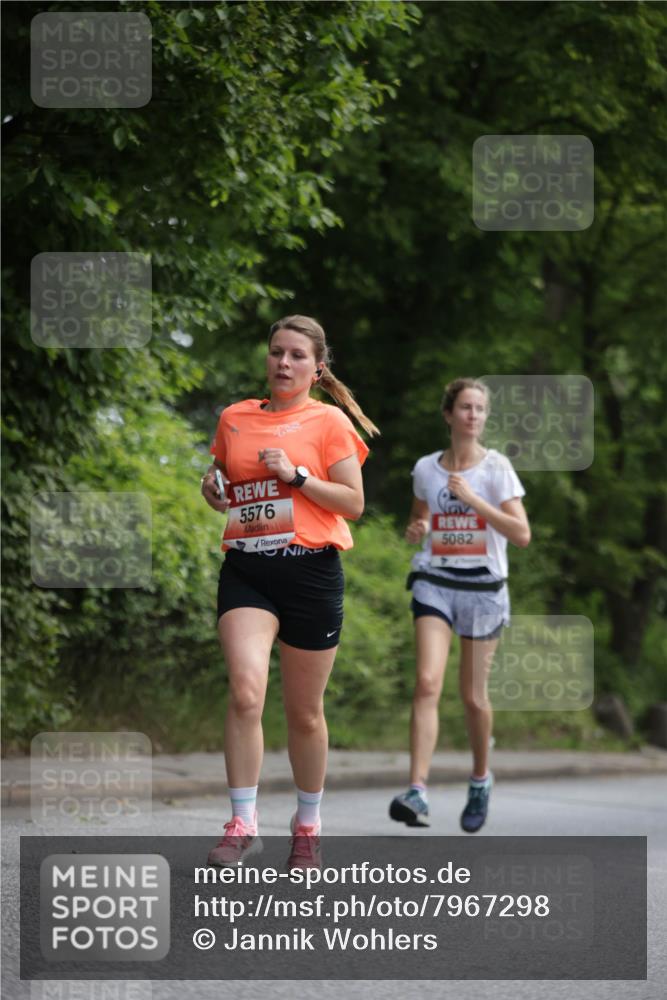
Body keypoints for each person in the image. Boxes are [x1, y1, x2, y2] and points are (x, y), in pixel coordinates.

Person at [201, 315, 378, 868]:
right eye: (277, 352)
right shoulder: (234, 418)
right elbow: (224, 488)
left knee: (303, 714)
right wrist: (212, 489)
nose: (283, 363)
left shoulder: (328, 422)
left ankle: (306, 825)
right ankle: (242, 822)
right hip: (249, 570)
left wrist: (298, 476)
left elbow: (353, 503)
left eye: (297, 355)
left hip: (311, 572)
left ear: (316, 367)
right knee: (246, 691)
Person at [389, 378, 530, 833]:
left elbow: (521, 534)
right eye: (465, 407)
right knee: (427, 682)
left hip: (484, 588)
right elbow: (421, 516)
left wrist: (473, 500)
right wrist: (417, 527)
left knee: (472, 697)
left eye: (480, 409)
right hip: (435, 581)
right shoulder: (426, 469)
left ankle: (480, 779)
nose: (473, 415)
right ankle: (417, 790)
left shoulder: (497, 469)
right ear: (449, 415)